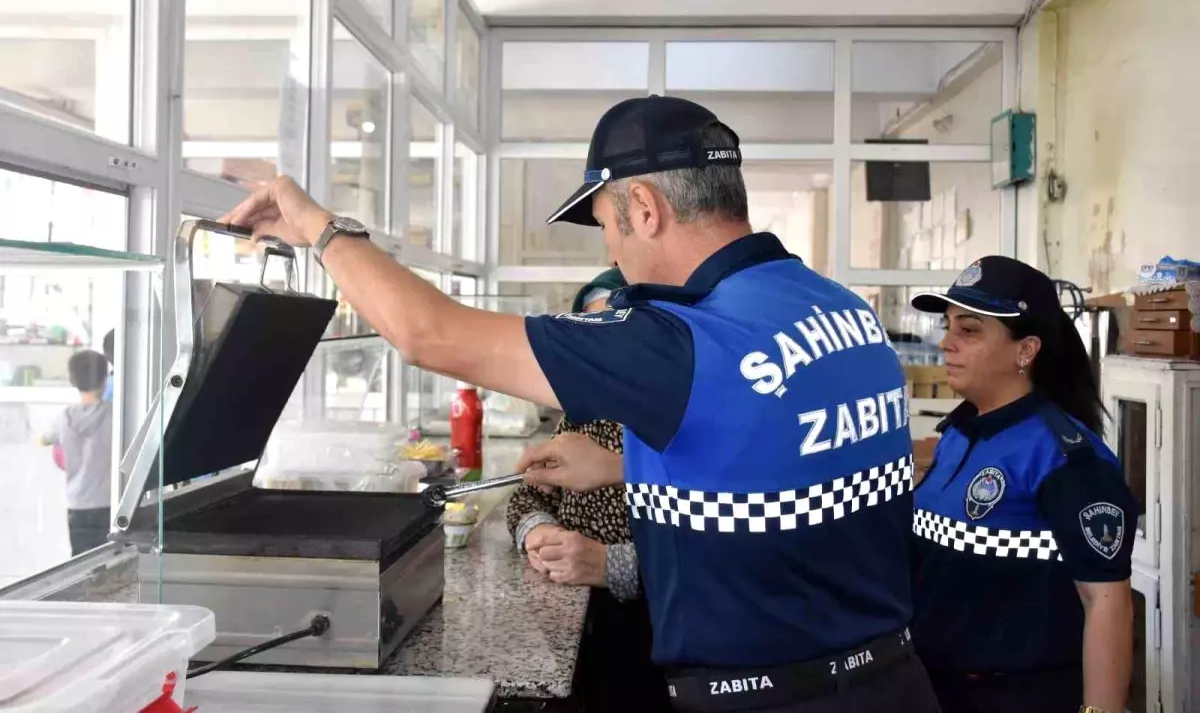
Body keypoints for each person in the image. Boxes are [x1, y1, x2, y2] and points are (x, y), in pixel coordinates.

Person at [222, 95, 939, 712]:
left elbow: (429, 333)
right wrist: (624, 463)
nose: (613, 249)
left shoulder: (681, 336)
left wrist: (319, 226)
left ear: (647, 209)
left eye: (606, 224)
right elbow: (783, 459)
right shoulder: (842, 313)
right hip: (896, 681)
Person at [907, 256, 1137, 713]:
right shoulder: (959, 431)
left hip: (1017, 696)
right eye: (947, 325)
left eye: (968, 330)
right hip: (934, 688)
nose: (946, 343)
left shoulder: (1064, 458)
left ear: (1025, 350)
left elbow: (1107, 603)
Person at [506, 267, 670, 712]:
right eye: (592, 338)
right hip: (578, 611)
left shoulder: (673, 422)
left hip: (653, 625)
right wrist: (538, 533)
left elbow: (710, 548)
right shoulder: (581, 415)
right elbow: (529, 493)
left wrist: (611, 565)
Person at [40, 350, 114, 555]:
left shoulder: (64, 418)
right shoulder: (114, 414)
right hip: (108, 502)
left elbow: (43, 439)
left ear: (73, 381)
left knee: (81, 562)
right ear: (104, 378)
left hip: (77, 503)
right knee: (109, 561)